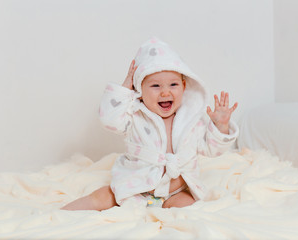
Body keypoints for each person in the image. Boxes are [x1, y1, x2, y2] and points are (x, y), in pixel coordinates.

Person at [61, 37, 239, 211]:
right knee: (101, 196)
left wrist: (220, 126)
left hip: (177, 192)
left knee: (190, 208)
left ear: (184, 86)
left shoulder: (191, 121)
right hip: (136, 190)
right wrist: (124, 88)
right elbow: (109, 120)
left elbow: (212, 149)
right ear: (139, 89)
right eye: (155, 86)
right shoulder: (135, 116)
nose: (165, 92)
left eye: (173, 84)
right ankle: (57, 215)